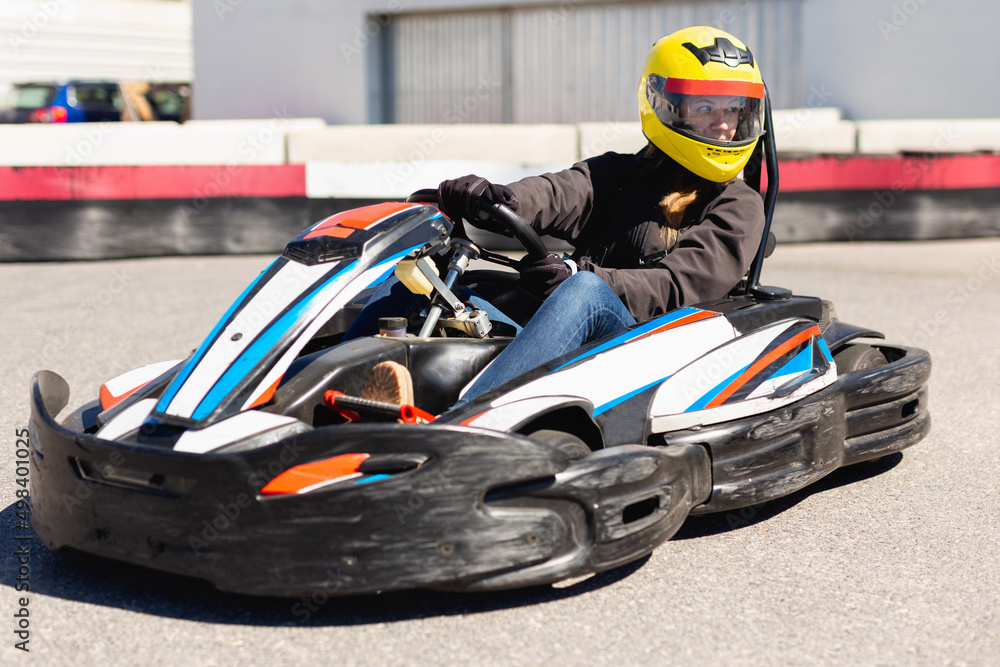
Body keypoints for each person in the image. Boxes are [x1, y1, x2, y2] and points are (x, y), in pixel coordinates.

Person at [353, 25, 767, 408]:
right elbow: (557, 193)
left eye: (732, 110)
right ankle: (328, 392)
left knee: (584, 292)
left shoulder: (739, 205)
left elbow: (679, 288)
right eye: (707, 107)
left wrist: (581, 276)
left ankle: (464, 423)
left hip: (651, 351)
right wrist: (496, 199)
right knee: (426, 277)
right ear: (668, 107)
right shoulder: (620, 173)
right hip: (574, 334)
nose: (722, 125)